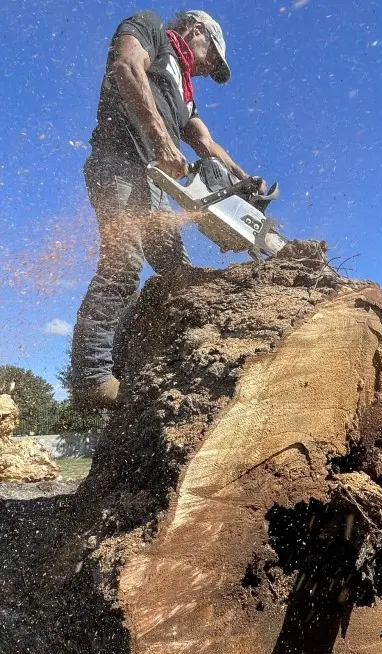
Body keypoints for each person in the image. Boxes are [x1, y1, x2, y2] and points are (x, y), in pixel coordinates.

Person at [72, 9, 262, 409]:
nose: (210, 68)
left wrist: (245, 181)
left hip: (155, 181)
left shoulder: (184, 94)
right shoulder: (152, 31)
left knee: (178, 272)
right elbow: (126, 66)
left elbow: (206, 144)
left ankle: (157, 360)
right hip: (118, 162)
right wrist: (161, 140)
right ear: (196, 30)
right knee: (123, 264)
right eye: (212, 56)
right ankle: (91, 376)